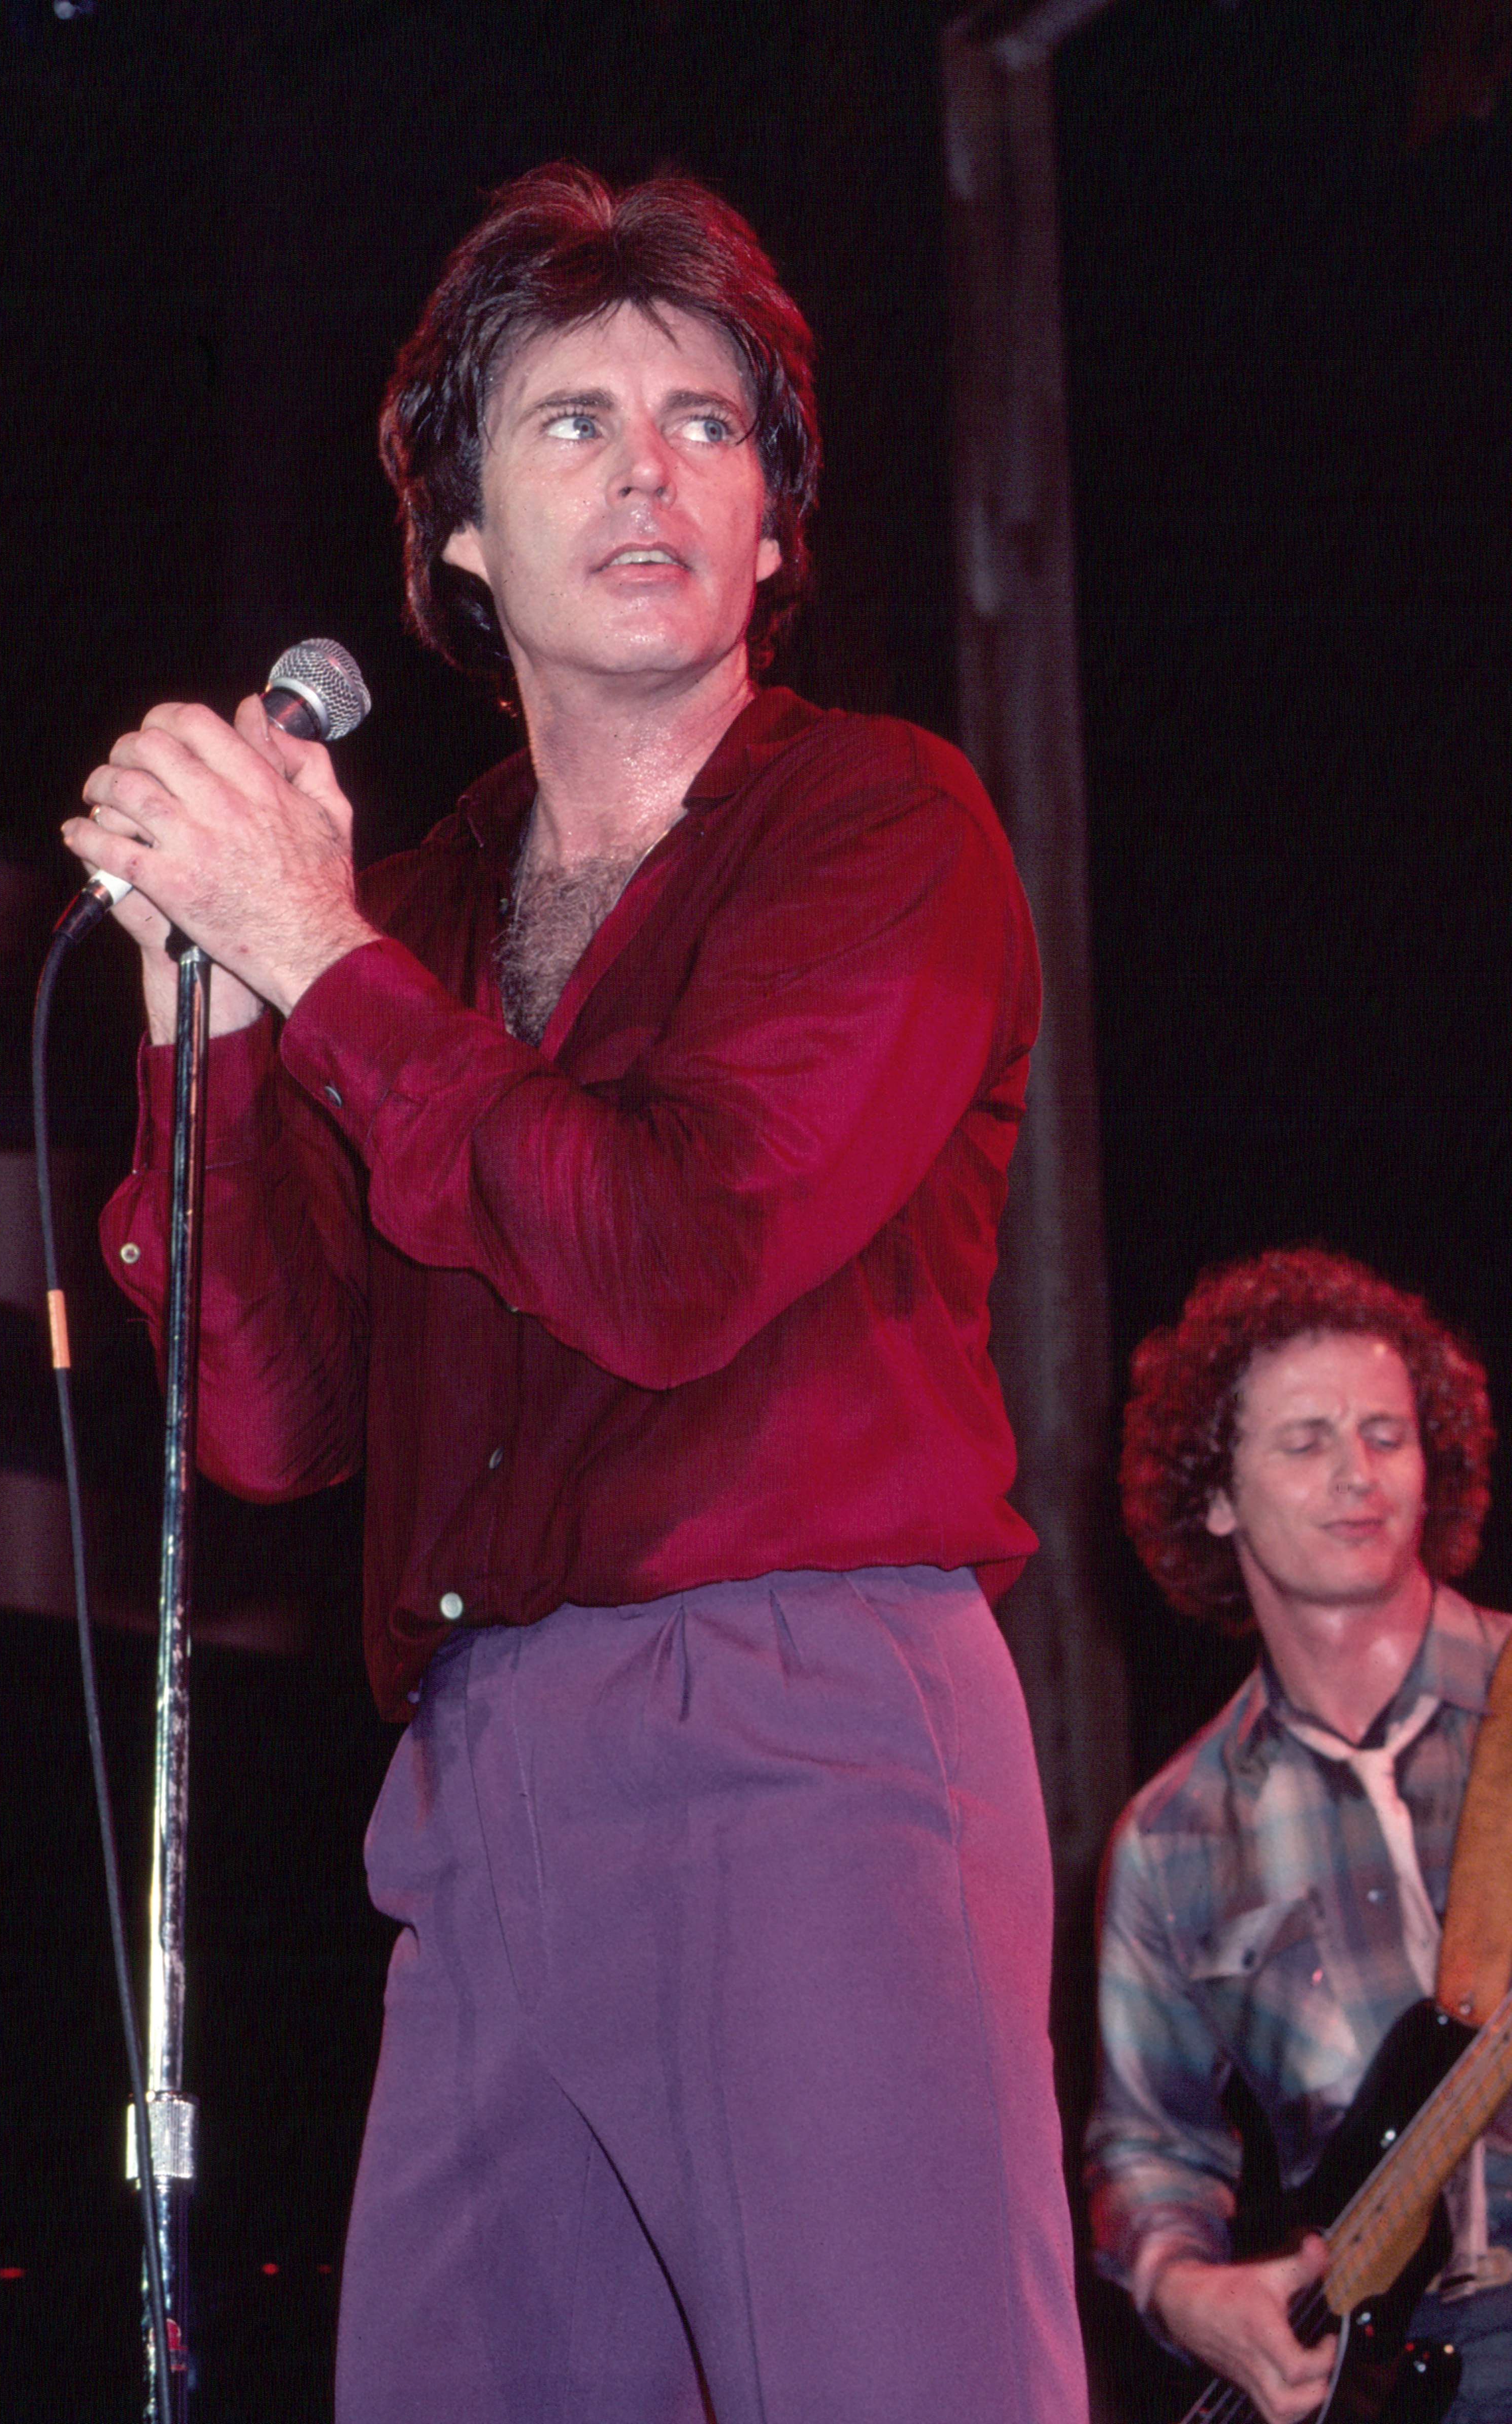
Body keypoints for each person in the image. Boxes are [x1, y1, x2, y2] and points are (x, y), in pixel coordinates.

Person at [64, 163, 1086, 2424]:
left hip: (805, 1721)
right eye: (572, 420)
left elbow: (672, 1251)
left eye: (708, 424)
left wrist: (311, 954)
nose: (650, 465)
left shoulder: (878, 826)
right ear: (452, 535)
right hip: (474, 1768)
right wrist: (208, 1035)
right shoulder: (403, 907)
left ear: (774, 528)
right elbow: (272, 1423)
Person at [1087, 1244, 1512, 2423]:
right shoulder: (1170, 1840)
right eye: (1303, 1441)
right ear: (1212, 1495)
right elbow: (1146, 2153)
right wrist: (1182, 2291)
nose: (1355, 1474)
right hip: (1382, 2377)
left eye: (1385, 1434)